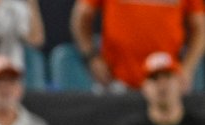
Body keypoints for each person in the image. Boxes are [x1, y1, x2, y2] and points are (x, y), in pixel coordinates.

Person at [70, 0, 205, 92]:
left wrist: (187, 68)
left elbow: (200, 27)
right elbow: (81, 17)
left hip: (165, 80)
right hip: (116, 79)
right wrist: (92, 57)